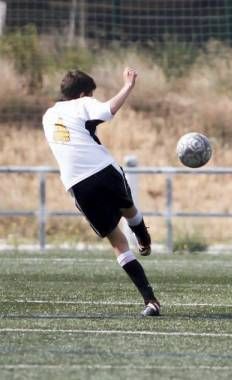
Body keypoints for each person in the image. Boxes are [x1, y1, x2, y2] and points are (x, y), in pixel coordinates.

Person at [42, 68, 161, 317]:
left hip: (77, 184)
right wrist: (128, 85)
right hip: (103, 169)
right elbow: (108, 110)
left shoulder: (48, 115)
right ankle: (143, 237)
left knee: (118, 243)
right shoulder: (84, 102)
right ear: (85, 93)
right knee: (129, 210)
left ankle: (150, 301)